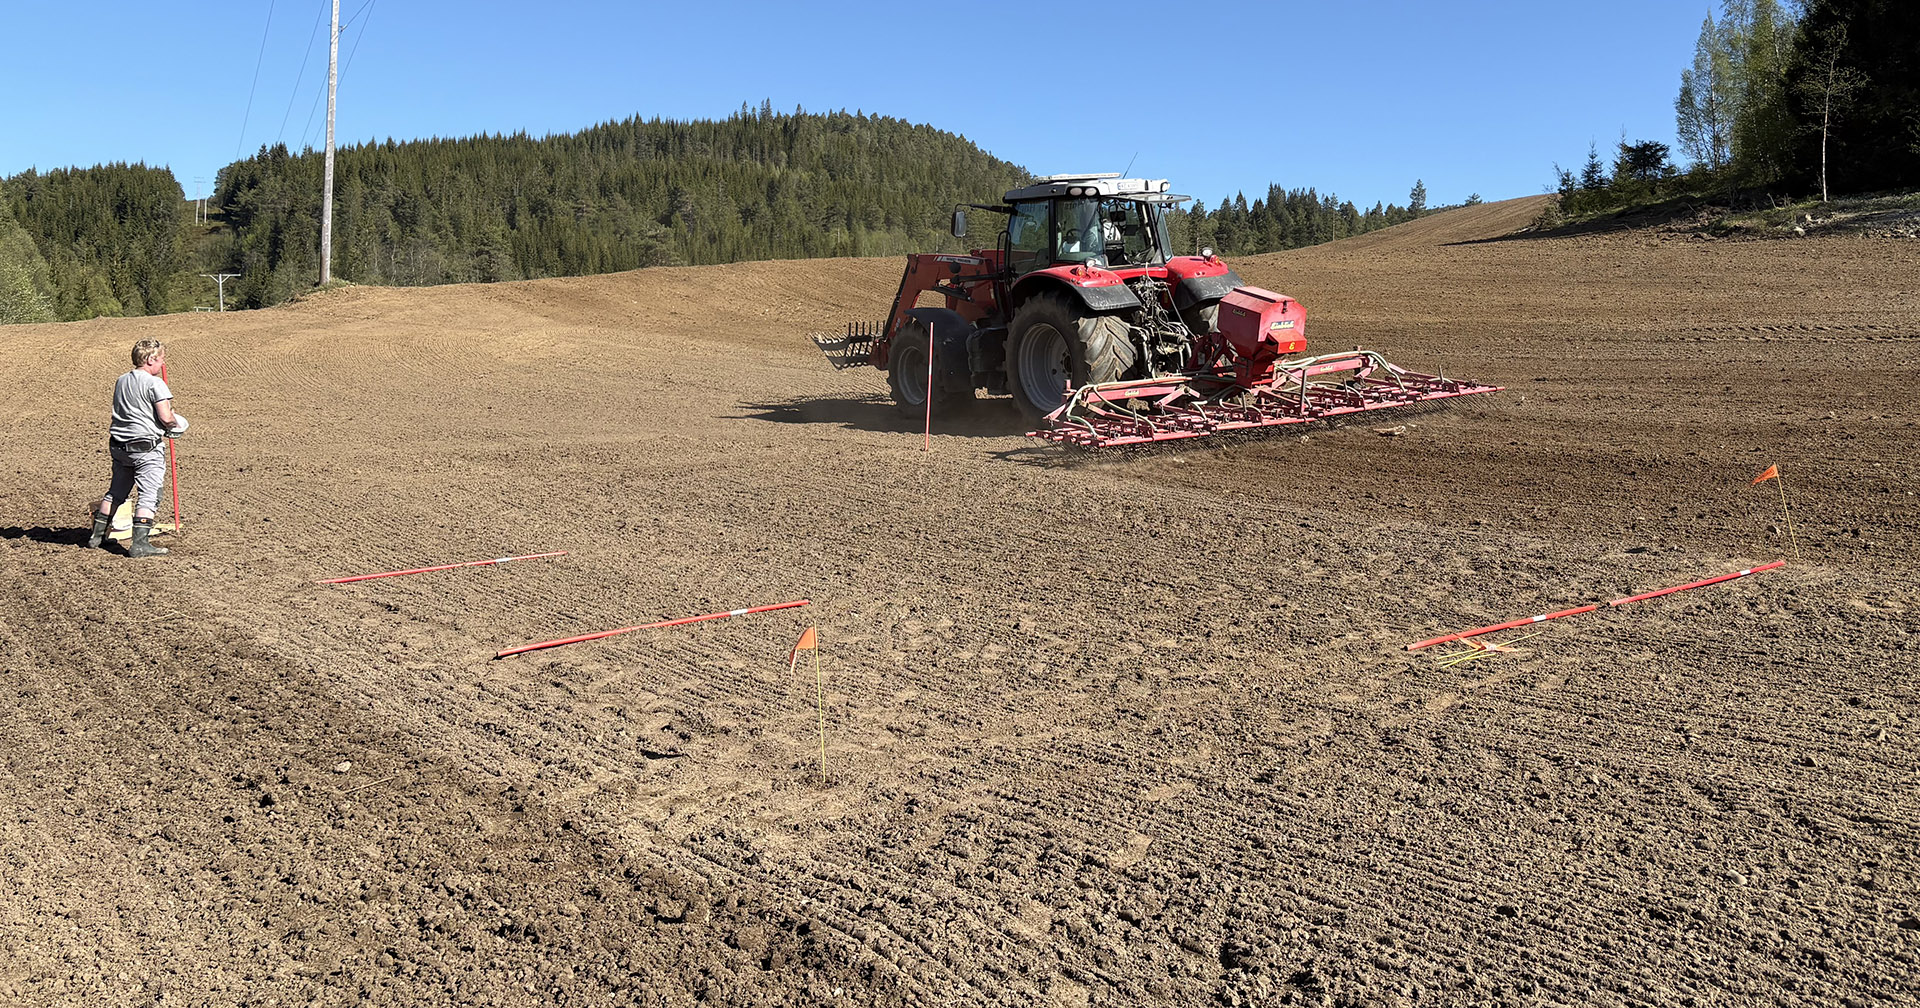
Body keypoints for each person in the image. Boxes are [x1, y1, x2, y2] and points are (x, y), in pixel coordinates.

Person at [87, 339, 187, 558]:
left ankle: (97, 536)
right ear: (151, 359)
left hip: (119, 446)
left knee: (116, 492)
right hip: (145, 448)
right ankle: (140, 544)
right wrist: (175, 425)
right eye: (161, 359)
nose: (162, 364)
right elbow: (165, 417)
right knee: (149, 494)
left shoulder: (121, 380)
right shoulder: (155, 383)